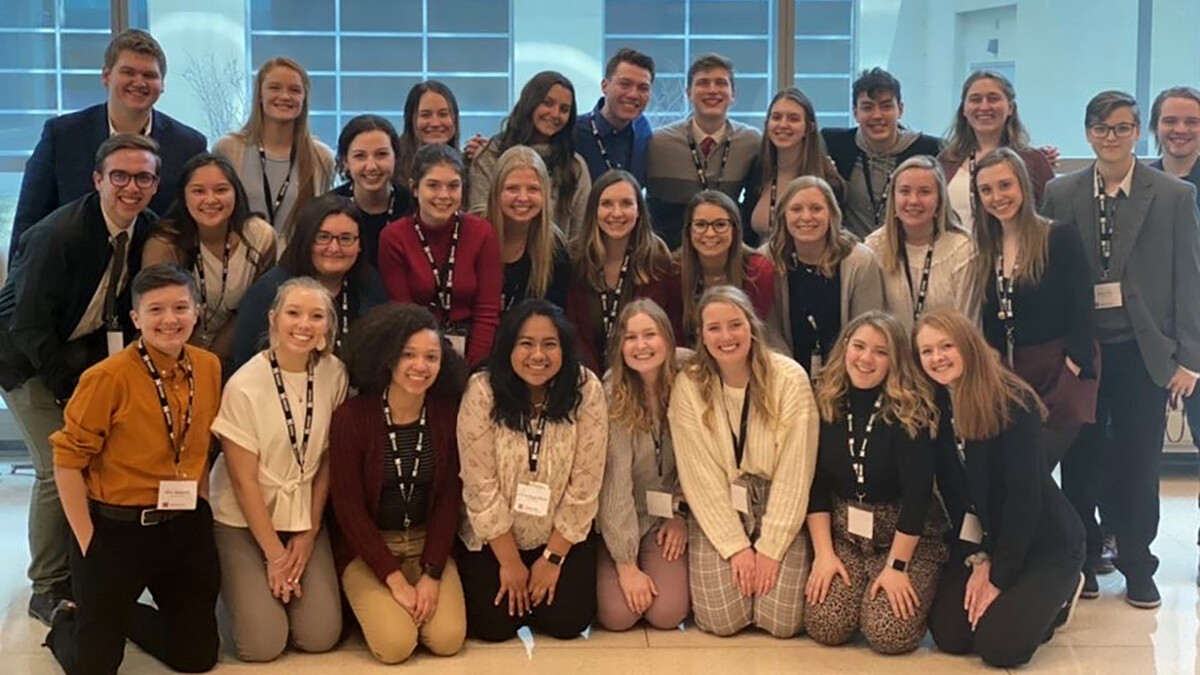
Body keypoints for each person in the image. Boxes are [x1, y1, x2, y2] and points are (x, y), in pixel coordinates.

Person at [1041, 91, 1200, 608]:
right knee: (1080, 460)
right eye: (1103, 128)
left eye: (1124, 127)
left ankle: (1137, 563)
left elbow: (1188, 279)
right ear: (1088, 133)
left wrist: (1190, 359)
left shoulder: (1173, 195)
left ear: (1139, 132)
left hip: (1143, 350)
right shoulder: (1060, 193)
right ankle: (1084, 558)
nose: (1113, 137)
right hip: (1082, 350)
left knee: (1138, 463)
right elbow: (1047, 278)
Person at [0, 133, 159, 625]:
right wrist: (70, 391)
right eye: (120, 176)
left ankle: (85, 566)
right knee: (58, 464)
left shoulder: (146, 230)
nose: (131, 187)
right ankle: (46, 587)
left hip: (76, 353)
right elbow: (26, 324)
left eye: (144, 177)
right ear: (98, 180)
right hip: (24, 359)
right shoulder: (57, 235)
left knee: (98, 458)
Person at [47, 264, 222, 675]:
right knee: (96, 666)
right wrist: (87, 540)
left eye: (181, 307)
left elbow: (199, 445)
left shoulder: (209, 367)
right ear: (136, 319)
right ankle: (66, 622)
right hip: (115, 529)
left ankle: (116, 616)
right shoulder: (107, 378)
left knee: (197, 658)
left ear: (196, 313)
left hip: (184, 526)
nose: (170, 320)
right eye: (156, 310)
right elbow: (67, 462)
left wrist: (199, 509)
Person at [917, 309, 1085, 668]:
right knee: (951, 635)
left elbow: (1024, 501)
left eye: (946, 346)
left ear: (968, 345)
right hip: (990, 538)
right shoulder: (939, 404)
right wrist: (979, 557)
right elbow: (959, 499)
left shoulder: (1011, 401)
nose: (937, 358)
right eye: (926, 351)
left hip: (1044, 542)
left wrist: (996, 576)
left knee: (999, 648)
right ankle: (1018, 597)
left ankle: (1061, 593)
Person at [209, 277, 348, 662]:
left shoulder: (335, 374)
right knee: (262, 646)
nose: (304, 324)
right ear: (273, 319)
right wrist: (274, 556)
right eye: (294, 313)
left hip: (301, 514)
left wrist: (309, 532)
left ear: (327, 327)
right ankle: (229, 595)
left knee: (320, 636)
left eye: (316, 316)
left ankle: (269, 591)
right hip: (243, 517)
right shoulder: (244, 385)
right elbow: (242, 481)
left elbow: (326, 462)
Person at [669, 285, 817, 638]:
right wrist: (736, 549)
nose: (726, 336)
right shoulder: (688, 385)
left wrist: (771, 548)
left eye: (735, 325)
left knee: (783, 623)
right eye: (714, 328)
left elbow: (796, 471)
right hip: (720, 500)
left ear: (752, 326)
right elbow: (699, 477)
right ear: (701, 335)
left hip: (777, 500)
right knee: (721, 620)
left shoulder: (789, 378)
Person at [456, 300, 608, 642]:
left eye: (549, 344)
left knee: (567, 622)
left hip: (560, 534)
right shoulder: (482, 390)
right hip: (495, 538)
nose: (537, 355)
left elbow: (586, 483)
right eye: (526, 343)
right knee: (493, 627)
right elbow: (479, 485)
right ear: (508, 346)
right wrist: (510, 563)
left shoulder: (587, 389)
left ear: (565, 349)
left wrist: (552, 559)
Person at [330, 304, 468, 663]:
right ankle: (368, 605)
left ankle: (399, 604)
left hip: (426, 543)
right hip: (370, 547)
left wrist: (432, 574)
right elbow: (347, 508)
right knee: (395, 647)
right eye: (408, 355)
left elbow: (448, 501)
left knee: (448, 639)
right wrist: (394, 579)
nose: (420, 366)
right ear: (388, 358)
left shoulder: (446, 415)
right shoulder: (352, 417)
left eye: (431, 357)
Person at [803, 311, 946, 654]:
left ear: (895, 361)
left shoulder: (912, 409)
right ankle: (860, 587)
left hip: (905, 536)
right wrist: (824, 554)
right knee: (826, 625)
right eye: (859, 346)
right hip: (847, 533)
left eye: (880, 352)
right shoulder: (825, 400)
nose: (866, 359)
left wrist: (897, 567)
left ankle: (908, 582)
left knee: (888, 634)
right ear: (845, 348)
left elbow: (917, 495)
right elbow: (816, 485)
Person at [10, 29, 205, 266]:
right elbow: (29, 222)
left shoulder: (189, 146)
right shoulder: (62, 135)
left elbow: (194, 226)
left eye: (149, 75)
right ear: (105, 76)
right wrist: (15, 295)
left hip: (153, 285)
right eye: (128, 72)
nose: (139, 82)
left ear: (162, 84)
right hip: (70, 285)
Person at [973, 148, 1097, 469]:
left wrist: (1073, 365)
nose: (997, 197)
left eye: (1005, 185)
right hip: (1013, 375)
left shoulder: (1058, 236)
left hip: (1060, 371)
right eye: (986, 190)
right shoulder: (986, 248)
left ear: (1023, 186)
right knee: (1018, 475)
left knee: (1035, 471)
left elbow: (1082, 304)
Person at [596, 299, 691, 631]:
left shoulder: (690, 377)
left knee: (667, 614)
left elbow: (705, 461)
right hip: (625, 514)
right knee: (617, 616)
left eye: (649, 334)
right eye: (630, 337)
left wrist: (682, 516)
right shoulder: (611, 394)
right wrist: (626, 564)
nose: (641, 346)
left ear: (667, 336)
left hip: (670, 514)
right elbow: (614, 483)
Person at [142, 152, 277, 368]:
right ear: (184, 197)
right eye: (198, 191)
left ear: (236, 193)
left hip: (236, 352)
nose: (210, 199)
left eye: (221, 190)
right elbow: (157, 312)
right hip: (171, 349)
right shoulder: (164, 243)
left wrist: (214, 359)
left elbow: (252, 310)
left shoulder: (261, 237)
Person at [232, 194, 388, 371]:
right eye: (323, 237)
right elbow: (244, 365)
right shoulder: (269, 291)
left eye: (346, 238)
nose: (334, 248)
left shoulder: (370, 285)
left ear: (360, 245)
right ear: (305, 239)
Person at [379, 144, 502, 366]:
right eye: (433, 186)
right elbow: (403, 314)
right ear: (415, 189)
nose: (443, 195)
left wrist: (471, 369)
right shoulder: (394, 237)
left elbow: (488, 311)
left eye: (453, 186)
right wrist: (428, 363)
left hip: (474, 353)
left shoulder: (482, 232)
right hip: (416, 353)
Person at [1148, 85, 1200, 579]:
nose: (1180, 130)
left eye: (1191, 121)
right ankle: (1121, 540)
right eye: (1170, 121)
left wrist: (1193, 355)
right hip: (1150, 340)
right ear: (1155, 126)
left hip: (1197, 336)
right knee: (1131, 449)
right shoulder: (1142, 181)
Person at [764, 176, 886, 373]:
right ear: (783, 216)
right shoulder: (767, 260)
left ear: (831, 214)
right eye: (796, 209)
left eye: (816, 209)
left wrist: (836, 379)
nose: (806, 217)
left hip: (848, 372)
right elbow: (769, 331)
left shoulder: (860, 261)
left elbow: (866, 330)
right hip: (785, 373)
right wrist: (792, 375)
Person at [565, 170, 680, 372]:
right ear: (593, 211)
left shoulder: (658, 261)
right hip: (584, 377)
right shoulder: (574, 258)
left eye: (626, 203)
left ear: (639, 211)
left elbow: (669, 330)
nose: (617, 213)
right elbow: (571, 331)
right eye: (607, 204)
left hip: (645, 376)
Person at [214, 57, 335, 245]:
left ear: (304, 98)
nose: (285, 96)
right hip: (241, 264)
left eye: (295, 90)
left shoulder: (321, 157)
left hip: (298, 267)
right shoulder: (228, 149)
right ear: (260, 96)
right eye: (275, 88)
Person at [645, 53, 760, 250]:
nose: (712, 90)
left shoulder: (752, 142)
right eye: (703, 83)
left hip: (728, 255)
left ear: (733, 94)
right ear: (688, 92)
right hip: (668, 259)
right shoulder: (657, 143)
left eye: (721, 83)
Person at [821, 68, 942, 239]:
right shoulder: (835, 145)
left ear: (900, 109)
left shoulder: (930, 151)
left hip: (907, 253)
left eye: (886, 106)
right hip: (850, 255)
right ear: (855, 113)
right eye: (867, 107)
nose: (877, 115)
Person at [468, 72, 592, 234]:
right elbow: (480, 221)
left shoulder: (575, 166)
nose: (555, 114)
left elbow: (580, 232)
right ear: (530, 103)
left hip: (558, 258)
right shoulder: (491, 155)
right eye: (547, 103)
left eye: (564, 109)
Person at [864, 155, 977, 331]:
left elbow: (968, 326)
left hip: (945, 354)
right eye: (905, 191)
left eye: (924, 192)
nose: (914, 200)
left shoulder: (962, 249)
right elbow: (869, 322)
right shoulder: (874, 247)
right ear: (893, 199)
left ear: (940, 200)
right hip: (891, 354)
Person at [937, 71, 1054, 234]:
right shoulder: (946, 160)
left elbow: (1049, 220)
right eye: (975, 99)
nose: (984, 107)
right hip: (955, 256)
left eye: (993, 99)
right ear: (964, 109)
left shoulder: (1033, 161)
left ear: (1010, 107)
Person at [742, 88, 845, 246]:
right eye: (776, 117)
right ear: (767, 124)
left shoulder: (827, 180)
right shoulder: (758, 172)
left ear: (809, 128)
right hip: (759, 267)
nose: (783, 124)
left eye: (793, 119)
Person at [677, 190, 775, 344]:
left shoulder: (759, 270)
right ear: (688, 231)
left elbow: (757, 334)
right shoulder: (672, 271)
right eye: (700, 225)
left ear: (735, 230)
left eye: (720, 225)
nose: (710, 233)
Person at [484, 145, 572, 313]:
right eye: (512, 188)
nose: (523, 198)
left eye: (533, 189)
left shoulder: (557, 250)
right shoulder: (475, 235)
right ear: (496, 192)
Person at [329, 115, 417, 268]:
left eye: (381, 154)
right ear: (345, 162)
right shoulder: (326, 209)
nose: (371, 166)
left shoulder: (415, 207)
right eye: (360, 156)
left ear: (396, 158)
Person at [573, 48, 655, 184]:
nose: (633, 94)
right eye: (625, 84)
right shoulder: (573, 133)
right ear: (605, 86)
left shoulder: (643, 129)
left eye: (643, 88)